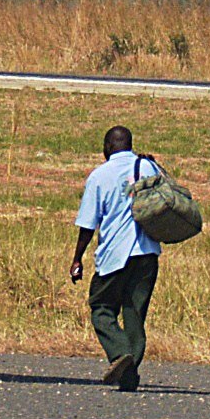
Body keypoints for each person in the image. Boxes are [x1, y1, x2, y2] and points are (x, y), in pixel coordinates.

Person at [70, 125, 162, 391]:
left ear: (108, 146)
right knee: (134, 313)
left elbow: (88, 224)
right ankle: (129, 375)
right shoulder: (148, 167)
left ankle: (120, 353)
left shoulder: (100, 175)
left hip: (115, 255)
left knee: (101, 307)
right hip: (147, 253)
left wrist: (77, 258)